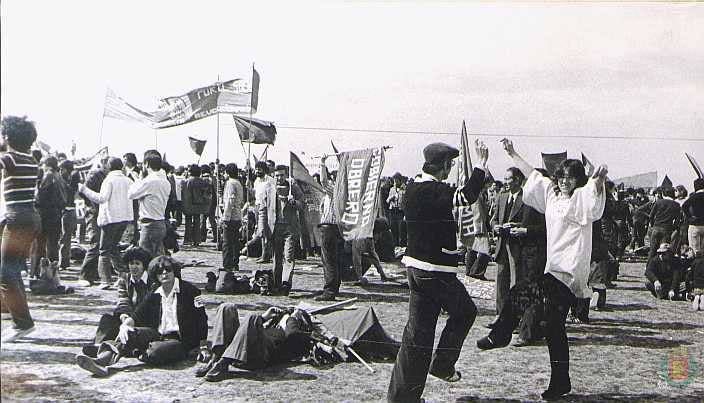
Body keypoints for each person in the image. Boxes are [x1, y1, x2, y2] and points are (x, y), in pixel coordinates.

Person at [477, 139, 607, 400]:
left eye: (570, 178)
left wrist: (599, 178)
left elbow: (595, 190)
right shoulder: (552, 196)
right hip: (554, 268)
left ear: (577, 180)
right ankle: (560, 383)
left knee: (519, 293)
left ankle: (501, 335)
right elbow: (533, 174)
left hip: (569, 274)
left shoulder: (581, 198)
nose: (564, 182)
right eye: (561, 177)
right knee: (553, 328)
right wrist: (513, 153)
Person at [387, 140, 488, 403]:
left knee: (417, 336)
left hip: (416, 270)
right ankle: (442, 364)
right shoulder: (432, 190)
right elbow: (467, 196)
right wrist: (481, 164)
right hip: (435, 270)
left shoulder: (411, 188)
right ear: (443, 165)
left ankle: (402, 398)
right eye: (450, 165)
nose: (451, 169)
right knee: (466, 312)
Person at [75, 255, 208, 377]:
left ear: (174, 271)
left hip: (180, 339)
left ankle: (132, 351)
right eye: (159, 272)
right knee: (129, 333)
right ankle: (101, 362)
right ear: (155, 276)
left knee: (155, 353)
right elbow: (138, 314)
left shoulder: (190, 291)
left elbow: (202, 320)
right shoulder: (156, 291)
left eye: (168, 270)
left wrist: (203, 346)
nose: (164, 274)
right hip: (157, 333)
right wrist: (125, 326)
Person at [195, 303, 315, 382]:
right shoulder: (272, 324)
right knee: (227, 307)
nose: (287, 310)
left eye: (291, 310)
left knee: (252, 317)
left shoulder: (293, 328)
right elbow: (249, 330)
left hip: (258, 358)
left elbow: (293, 335)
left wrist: (293, 317)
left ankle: (223, 363)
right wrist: (264, 318)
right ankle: (216, 360)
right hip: (240, 353)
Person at [0, 116, 41, 343]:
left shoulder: (9, 159)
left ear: (7, 137)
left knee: (6, 273)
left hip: (16, 219)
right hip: (30, 218)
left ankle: (22, 324)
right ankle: (21, 321)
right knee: (14, 271)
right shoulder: (31, 160)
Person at [81, 247, 153, 357]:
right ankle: (98, 345)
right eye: (131, 263)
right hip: (127, 318)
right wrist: (124, 316)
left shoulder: (151, 282)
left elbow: (148, 306)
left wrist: (131, 320)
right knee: (107, 319)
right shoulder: (125, 279)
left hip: (145, 320)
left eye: (137, 264)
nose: (133, 267)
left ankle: (110, 349)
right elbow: (123, 300)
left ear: (144, 266)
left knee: (129, 333)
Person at [78, 157, 133, 289]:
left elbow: (101, 198)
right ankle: (124, 275)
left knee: (103, 249)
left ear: (108, 166)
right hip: (123, 219)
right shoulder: (128, 180)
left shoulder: (109, 180)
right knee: (113, 248)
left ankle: (105, 280)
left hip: (110, 219)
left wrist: (84, 189)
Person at [128, 150, 171, 257]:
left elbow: (131, 194)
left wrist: (138, 179)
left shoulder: (149, 181)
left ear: (146, 163)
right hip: (160, 222)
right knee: (158, 258)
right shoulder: (165, 181)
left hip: (149, 224)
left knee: (145, 257)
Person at [30, 156, 67, 277]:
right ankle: (52, 274)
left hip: (45, 215)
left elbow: (40, 197)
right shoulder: (59, 176)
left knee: (39, 245)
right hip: (56, 214)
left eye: (42, 164)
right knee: (53, 246)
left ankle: (36, 273)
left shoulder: (49, 175)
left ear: (47, 165)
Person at [78, 156, 109, 286]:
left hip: (102, 213)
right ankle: (84, 275)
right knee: (95, 243)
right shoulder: (95, 175)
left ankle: (93, 274)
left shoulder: (107, 177)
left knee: (100, 244)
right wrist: (91, 205)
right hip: (93, 212)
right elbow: (83, 192)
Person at [647, 187, 681, 261]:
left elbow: (651, 215)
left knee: (652, 249)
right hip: (667, 229)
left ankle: (649, 266)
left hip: (656, 227)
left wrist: (652, 224)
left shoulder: (659, 202)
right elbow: (677, 220)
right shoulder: (676, 205)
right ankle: (662, 267)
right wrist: (673, 228)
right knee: (664, 250)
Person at [181, 164, 211, 247]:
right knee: (197, 222)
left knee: (188, 222)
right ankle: (197, 240)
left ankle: (188, 240)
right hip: (199, 205)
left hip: (189, 204)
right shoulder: (202, 181)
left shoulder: (186, 181)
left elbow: (185, 196)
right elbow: (206, 194)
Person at [221, 163, 244, 271]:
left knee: (227, 242)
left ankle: (227, 264)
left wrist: (225, 217)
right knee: (235, 242)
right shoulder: (238, 182)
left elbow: (230, 201)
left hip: (230, 217)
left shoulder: (230, 183)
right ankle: (235, 263)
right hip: (237, 215)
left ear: (227, 172)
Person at [58, 159, 80, 269]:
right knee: (65, 238)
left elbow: (69, 193)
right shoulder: (68, 180)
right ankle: (64, 261)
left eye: (62, 169)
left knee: (64, 238)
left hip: (67, 211)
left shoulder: (71, 182)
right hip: (68, 211)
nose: (60, 171)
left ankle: (63, 262)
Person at [682, 178, 704, 256]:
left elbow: (684, 206)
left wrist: (689, 217)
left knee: (694, 250)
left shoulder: (694, 196)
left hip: (695, 225)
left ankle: (695, 266)